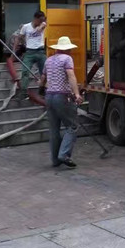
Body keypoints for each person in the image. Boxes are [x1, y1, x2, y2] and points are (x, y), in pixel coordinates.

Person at [38, 36, 82, 169]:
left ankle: (55, 160)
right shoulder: (67, 59)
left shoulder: (48, 60)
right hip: (61, 96)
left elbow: (43, 78)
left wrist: (40, 87)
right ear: (67, 49)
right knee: (72, 126)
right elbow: (71, 76)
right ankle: (64, 154)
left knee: (54, 130)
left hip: (49, 96)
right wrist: (77, 94)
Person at [17, 11, 47, 97]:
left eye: (42, 20)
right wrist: (22, 45)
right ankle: (23, 92)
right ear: (35, 18)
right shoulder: (25, 27)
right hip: (29, 51)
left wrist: (41, 24)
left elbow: (39, 29)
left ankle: (42, 89)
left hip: (40, 51)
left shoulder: (43, 24)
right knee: (25, 71)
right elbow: (19, 37)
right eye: (40, 20)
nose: (41, 21)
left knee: (45, 72)